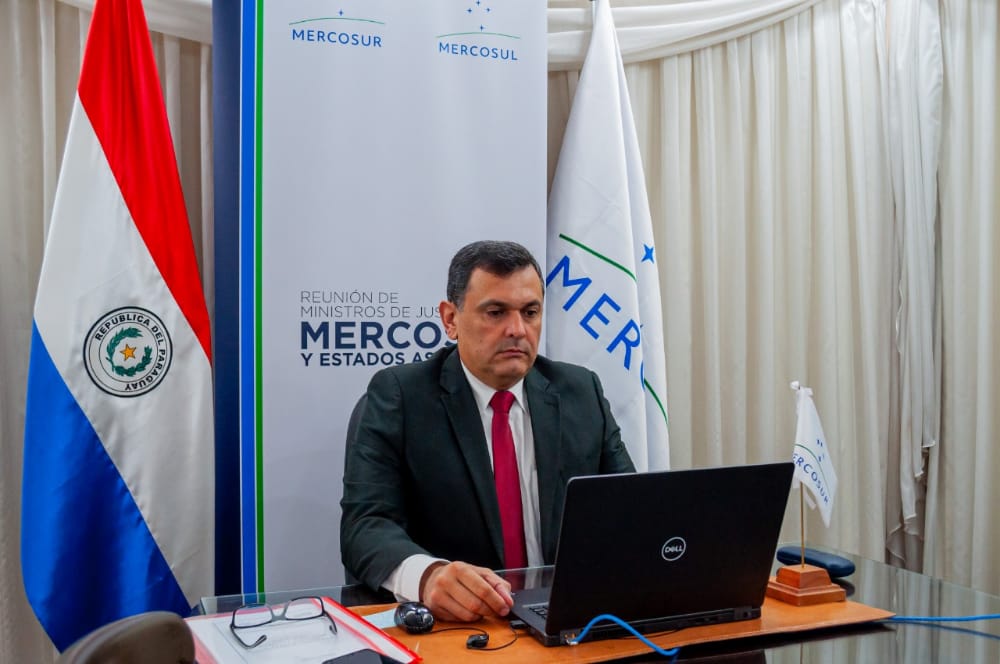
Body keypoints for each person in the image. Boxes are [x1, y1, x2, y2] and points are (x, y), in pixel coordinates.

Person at [340, 240, 634, 623]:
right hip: (458, 627)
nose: (517, 330)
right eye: (495, 312)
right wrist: (428, 576)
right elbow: (365, 524)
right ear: (450, 319)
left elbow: (629, 508)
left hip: (564, 618)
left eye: (530, 312)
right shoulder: (401, 397)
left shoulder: (581, 392)